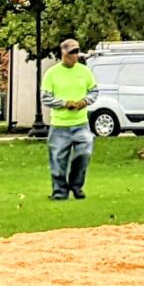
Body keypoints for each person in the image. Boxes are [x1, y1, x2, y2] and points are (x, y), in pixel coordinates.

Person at [42, 37, 96, 201]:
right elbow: (46, 97)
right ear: (63, 53)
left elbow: (94, 92)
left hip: (81, 123)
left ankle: (76, 185)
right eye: (72, 52)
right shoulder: (52, 73)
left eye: (77, 52)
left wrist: (84, 101)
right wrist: (65, 103)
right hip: (59, 124)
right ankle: (59, 191)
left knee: (84, 154)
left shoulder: (84, 71)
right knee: (58, 160)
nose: (75, 55)